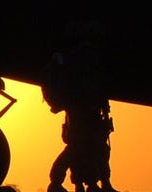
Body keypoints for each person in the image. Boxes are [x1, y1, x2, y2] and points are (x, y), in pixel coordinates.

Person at [43, 22, 114, 192]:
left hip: (86, 110)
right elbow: (89, 84)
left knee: (93, 147)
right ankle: (62, 182)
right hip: (82, 110)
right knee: (80, 148)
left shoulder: (78, 56)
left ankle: (92, 183)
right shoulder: (82, 57)